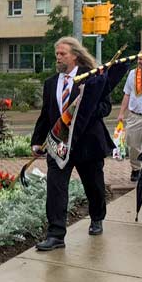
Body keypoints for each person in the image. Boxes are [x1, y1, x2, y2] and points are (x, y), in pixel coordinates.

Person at [31, 37, 120, 248]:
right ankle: (56, 235)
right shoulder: (51, 83)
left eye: (62, 54)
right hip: (60, 144)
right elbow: (46, 115)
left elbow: (105, 108)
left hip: (87, 143)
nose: (58, 58)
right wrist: (37, 141)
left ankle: (97, 217)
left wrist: (83, 110)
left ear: (75, 56)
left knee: (93, 185)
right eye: (57, 54)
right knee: (56, 188)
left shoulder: (93, 77)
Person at [118, 49, 142, 188]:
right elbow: (127, 94)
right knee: (133, 145)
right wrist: (121, 113)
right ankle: (136, 168)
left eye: (141, 59)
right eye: (138, 59)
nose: (138, 61)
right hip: (134, 116)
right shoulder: (133, 74)